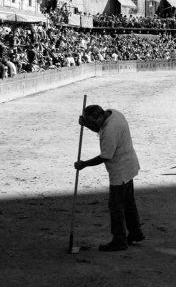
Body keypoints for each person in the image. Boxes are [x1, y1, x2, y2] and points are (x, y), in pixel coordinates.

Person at [74, 105, 144, 252]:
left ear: (99, 117)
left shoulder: (110, 131)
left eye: (93, 122)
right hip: (129, 164)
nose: (93, 125)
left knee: (116, 206)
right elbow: (101, 128)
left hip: (120, 170)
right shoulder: (114, 114)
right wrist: (87, 125)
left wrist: (84, 164)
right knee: (128, 202)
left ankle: (119, 240)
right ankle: (135, 232)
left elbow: (105, 156)